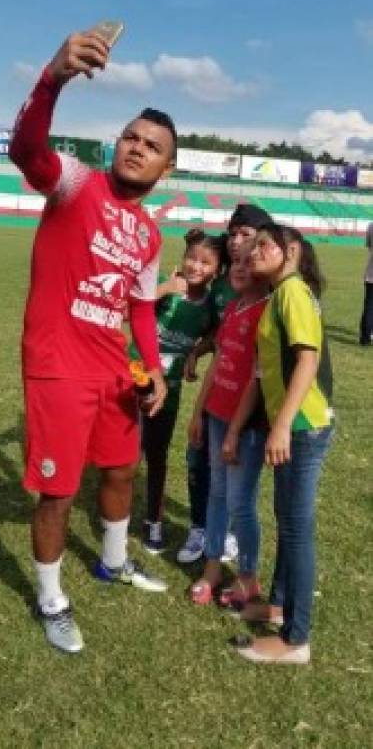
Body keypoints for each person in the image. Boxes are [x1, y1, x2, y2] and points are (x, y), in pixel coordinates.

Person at [9, 28, 177, 653]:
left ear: (168, 165)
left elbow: (138, 308)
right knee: (57, 491)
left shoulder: (150, 236)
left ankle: (112, 561)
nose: (137, 148)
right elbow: (26, 151)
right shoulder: (77, 183)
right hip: (57, 365)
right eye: (131, 138)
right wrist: (52, 76)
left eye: (151, 145)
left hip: (114, 371)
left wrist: (153, 367)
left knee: (121, 470)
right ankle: (52, 598)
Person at [224, 224, 334, 664]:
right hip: (298, 424)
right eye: (250, 248)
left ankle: (295, 639)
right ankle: (278, 606)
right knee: (288, 520)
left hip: (304, 425)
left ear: (291, 251)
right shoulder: (280, 294)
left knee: (295, 528)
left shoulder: (292, 292)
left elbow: (308, 358)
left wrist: (283, 424)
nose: (252, 253)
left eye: (263, 245)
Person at [177, 203, 273, 565]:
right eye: (232, 235)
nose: (237, 243)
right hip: (217, 393)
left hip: (248, 399)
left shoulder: (270, 290)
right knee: (199, 458)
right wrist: (195, 351)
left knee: (237, 472)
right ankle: (200, 528)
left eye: (246, 236)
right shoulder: (223, 283)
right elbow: (217, 335)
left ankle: (230, 532)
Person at [132, 229, 222, 554]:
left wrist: (197, 351)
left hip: (167, 393)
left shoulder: (211, 306)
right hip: (134, 381)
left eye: (205, 262)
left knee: (157, 457)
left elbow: (218, 334)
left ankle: (152, 522)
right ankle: (113, 511)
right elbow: (136, 305)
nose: (196, 266)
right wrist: (166, 288)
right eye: (192, 258)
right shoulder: (169, 289)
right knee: (127, 455)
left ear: (217, 269)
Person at [187, 255, 269, 604]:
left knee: (241, 502)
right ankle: (212, 567)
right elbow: (219, 361)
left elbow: (256, 376)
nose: (238, 267)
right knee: (217, 493)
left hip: (246, 425)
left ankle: (248, 577)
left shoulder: (267, 312)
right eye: (236, 262)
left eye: (249, 263)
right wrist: (198, 412)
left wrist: (235, 430)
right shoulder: (234, 307)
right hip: (217, 415)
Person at [359, 220, 373, 346]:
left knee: (369, 305)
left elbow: (369, 246)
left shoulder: (371, 225)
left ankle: (365, 337)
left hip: (371, 274)